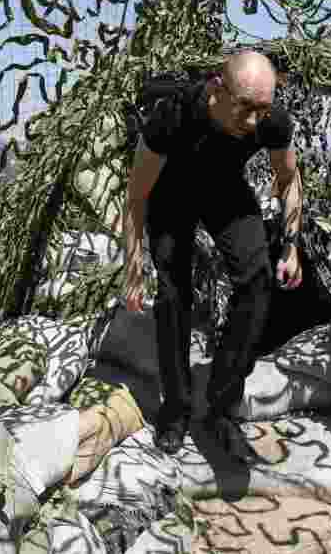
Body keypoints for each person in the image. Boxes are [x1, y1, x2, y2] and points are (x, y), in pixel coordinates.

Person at [122, 50, 304, 456]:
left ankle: (222, 405)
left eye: (263, 109)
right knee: (172, 295)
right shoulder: (173, 115)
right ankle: (176, 408)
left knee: (257, 282)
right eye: (245, 109)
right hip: (171, 192)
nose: (255, 121)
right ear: (218, 90)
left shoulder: (270, 120)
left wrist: (291, 246)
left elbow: (289, 180)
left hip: (224, 188)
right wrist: (133, 263)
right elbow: (137, 195)